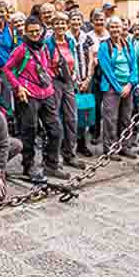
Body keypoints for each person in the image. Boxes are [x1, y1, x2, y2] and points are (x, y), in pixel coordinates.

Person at [4, 17, 70, 182]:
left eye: (37, 31)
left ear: (42, 31)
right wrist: (18, 87)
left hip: (46, 93)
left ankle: (51, 164)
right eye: (31, 31)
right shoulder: (21, 50)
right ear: (26, 32)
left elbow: (46, 67)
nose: (34, 34)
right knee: (29, 131)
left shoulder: (44, 48)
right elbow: (7, 68)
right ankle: (28, 165)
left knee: (56, 129)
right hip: (29, 95)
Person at [45, 12, 85, 170]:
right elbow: (45, 63)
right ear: (52, 26)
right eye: (57, 23)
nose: (60, 26)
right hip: (54, 82)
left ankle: (70, 153)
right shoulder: (48, 42)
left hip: (68, 82)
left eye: (63, 23)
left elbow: (73, 59)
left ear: (67, 25)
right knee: (54, 119)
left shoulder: (69, 40)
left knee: (72, 118)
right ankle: (54, 155)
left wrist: (75, 74)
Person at [98, 16, 139, 160]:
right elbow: (106, 69)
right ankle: (110, 149)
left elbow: (134, 66)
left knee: (126, 118)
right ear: (108, 29)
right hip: (111, 88)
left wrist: (129, 84)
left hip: (127, 87)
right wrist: (118, 87)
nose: (115, 29)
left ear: (123, 28)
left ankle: (125, 146)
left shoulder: (128, 45)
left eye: (118, 27)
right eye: (112, 27)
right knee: (111, 119)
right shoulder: (104, 46)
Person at [69, 10, 95, 157]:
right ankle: (69, 144)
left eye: (79, 20)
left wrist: (87, 79)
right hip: (71, 80)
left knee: (84, 112)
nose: (76, 23)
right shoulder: (66, 37)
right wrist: (76, 80)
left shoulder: (87, 38)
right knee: (72, 113)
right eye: (73, 20)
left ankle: (82, 143)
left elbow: (91, 59)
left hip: (86, 79)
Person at [86, 9, 110, 145]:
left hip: (107, 73)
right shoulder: (89, 36)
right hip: (94, 73)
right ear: (92, 22)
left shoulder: (109, 34)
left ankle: (109, 134)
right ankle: (95, 132)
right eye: (97, 20)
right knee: (95, 104)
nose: (100, 22)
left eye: (102, 19)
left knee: (108, 105)